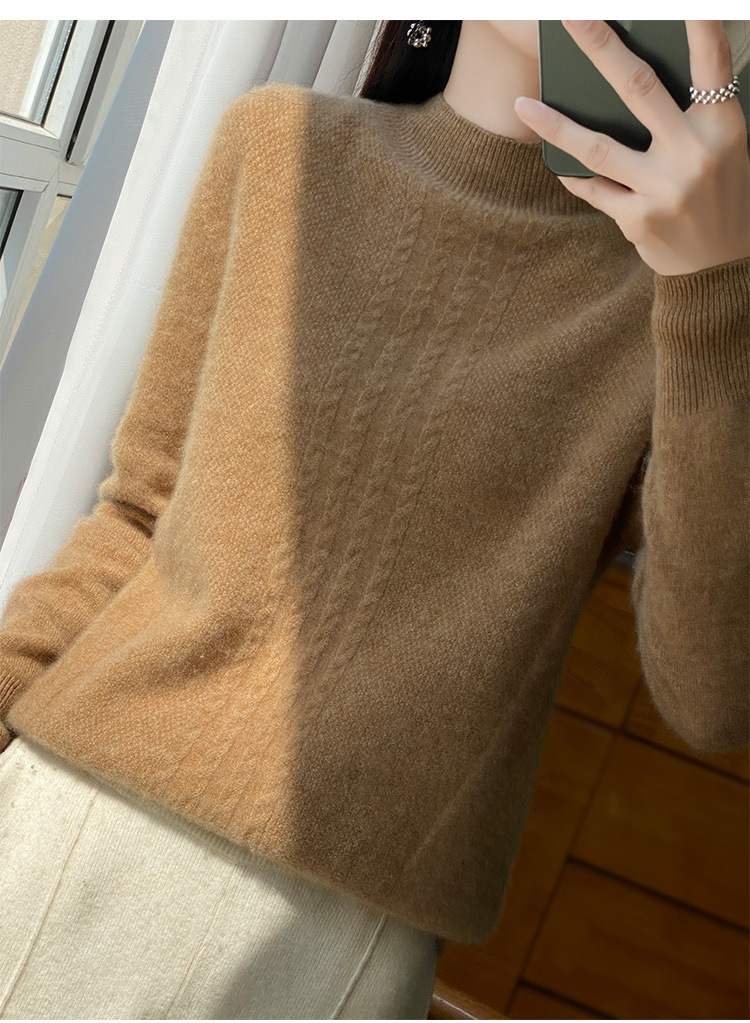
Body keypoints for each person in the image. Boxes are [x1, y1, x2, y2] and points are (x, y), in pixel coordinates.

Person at [0, 19, 748, 1020]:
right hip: (58, 810)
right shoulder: (279, 144)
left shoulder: (681, 302)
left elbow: (712, 697)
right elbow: (137, 512)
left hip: (330, 943)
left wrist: (712, 289)